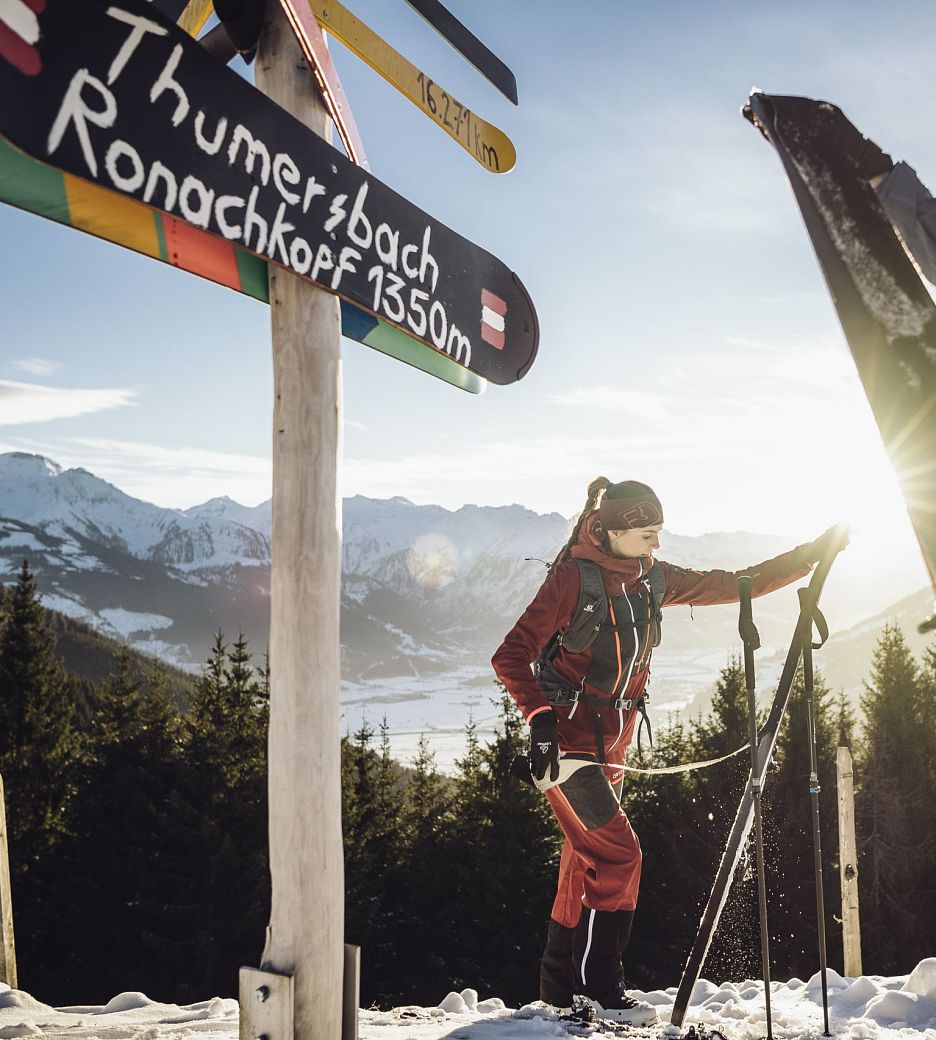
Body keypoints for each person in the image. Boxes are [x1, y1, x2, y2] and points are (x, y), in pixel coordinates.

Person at [491, 477, 839, 1024]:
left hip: (616, 744)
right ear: (611, 529)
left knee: (582, 859)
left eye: (659, 534)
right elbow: (510, 655)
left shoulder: (653, 579)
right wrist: (538, 722)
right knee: (618, 855)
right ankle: (599, 990)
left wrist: (809, 555)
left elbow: (736, 584)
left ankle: (558, 993)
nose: (655, 545)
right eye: (646, 534)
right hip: (568, 746)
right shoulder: (571, 579)